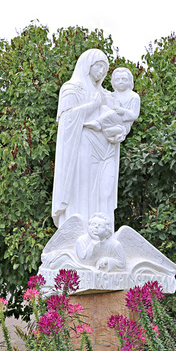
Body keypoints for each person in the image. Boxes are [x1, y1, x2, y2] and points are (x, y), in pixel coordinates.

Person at [52, 50, 139, 231]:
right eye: (98, 66)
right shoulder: (71, 88)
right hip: (83, 146)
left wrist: (120, 130)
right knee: (82, 189)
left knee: (103, 192)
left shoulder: (106, 94)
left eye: (104, 68)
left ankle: (102, 233)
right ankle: (79, 233)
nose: (101, 71)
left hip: (105, 149)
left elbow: (117, 116)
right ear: (87, 65)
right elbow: (67, 120)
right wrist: (92, 105)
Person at [85, 67, 140, 144]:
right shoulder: (112, 95)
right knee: (103, 108)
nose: (120, 82)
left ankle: (98, 123)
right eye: (117, 79)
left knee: (113, 113)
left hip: (123, 123)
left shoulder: (134, 97)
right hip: (111, 120)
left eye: (124, 79)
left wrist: (123, 111)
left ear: (129, 81)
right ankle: (110, 130)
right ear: (113, 82)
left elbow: (134, 115)